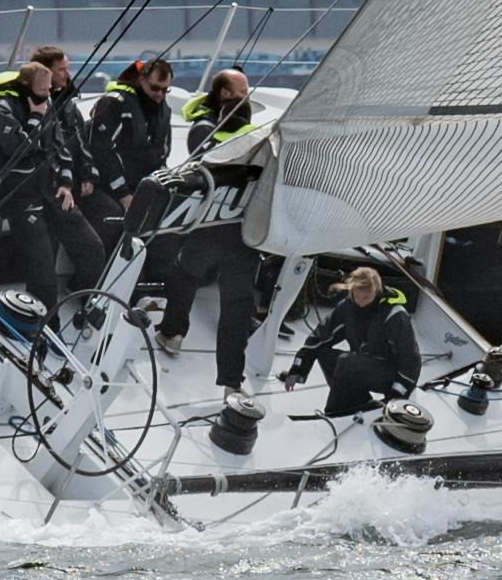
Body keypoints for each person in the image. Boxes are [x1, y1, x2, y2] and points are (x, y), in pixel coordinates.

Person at [154, 68, 269, 396]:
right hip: (210, 224)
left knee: (238, 305)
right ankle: (173, 333)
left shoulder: (255, 133)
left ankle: (231, 382)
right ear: (222, 97)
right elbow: (202, 159)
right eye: (238, 93)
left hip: (239, 229)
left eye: (246, 92)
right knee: (184, 275)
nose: (244, 98)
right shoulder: (204, 128)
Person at [0, 61, 104, 306]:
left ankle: (92, 303)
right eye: (43, 90)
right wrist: (35, 117)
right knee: (41, 266)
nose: (48, 95)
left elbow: (61, 147)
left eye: (49, 90)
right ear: (26, 86)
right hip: (22, 195)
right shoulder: (4, 110)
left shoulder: (48, 106)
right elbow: (19, 148)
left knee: (91, 246)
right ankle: (44, 325)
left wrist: (66, 183)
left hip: (54, 189)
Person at [292, 264, 420, 417]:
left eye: (366, 297)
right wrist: (298, 367)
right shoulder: (348, 308)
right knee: (324, 353)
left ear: (376, 291)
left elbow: (411, 360)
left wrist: (396, 395)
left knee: (348, 363)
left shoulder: (395, 315)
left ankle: (334, 413)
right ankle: (354, 402)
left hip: (390, 373)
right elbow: (320, 336)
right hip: (364, 363)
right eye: (356, 295)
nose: (359, 302)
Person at [84, 55, 176, 222]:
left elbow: (162, 154)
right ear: (141, 80)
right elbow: (100, 152)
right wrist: (124, 194)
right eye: (155, 88)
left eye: (165, 90)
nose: (159, 95)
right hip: (107, 185)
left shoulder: (163, 111)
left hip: (142, 186)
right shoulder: (115, 104)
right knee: (113, 218)